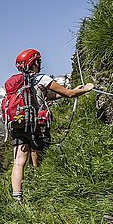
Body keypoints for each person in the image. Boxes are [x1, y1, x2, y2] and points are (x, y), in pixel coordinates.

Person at [10, 49, 94, 204]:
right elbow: (69, 94)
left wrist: (71, 92)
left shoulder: (15, 83)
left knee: (18, 162)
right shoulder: (42, 78)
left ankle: (17, 198)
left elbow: (46, 96)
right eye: (38, 62)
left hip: (18, 123)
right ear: (34, 63)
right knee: (38, 154)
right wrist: (85, 89)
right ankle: (38, 179)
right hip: (36, 123)